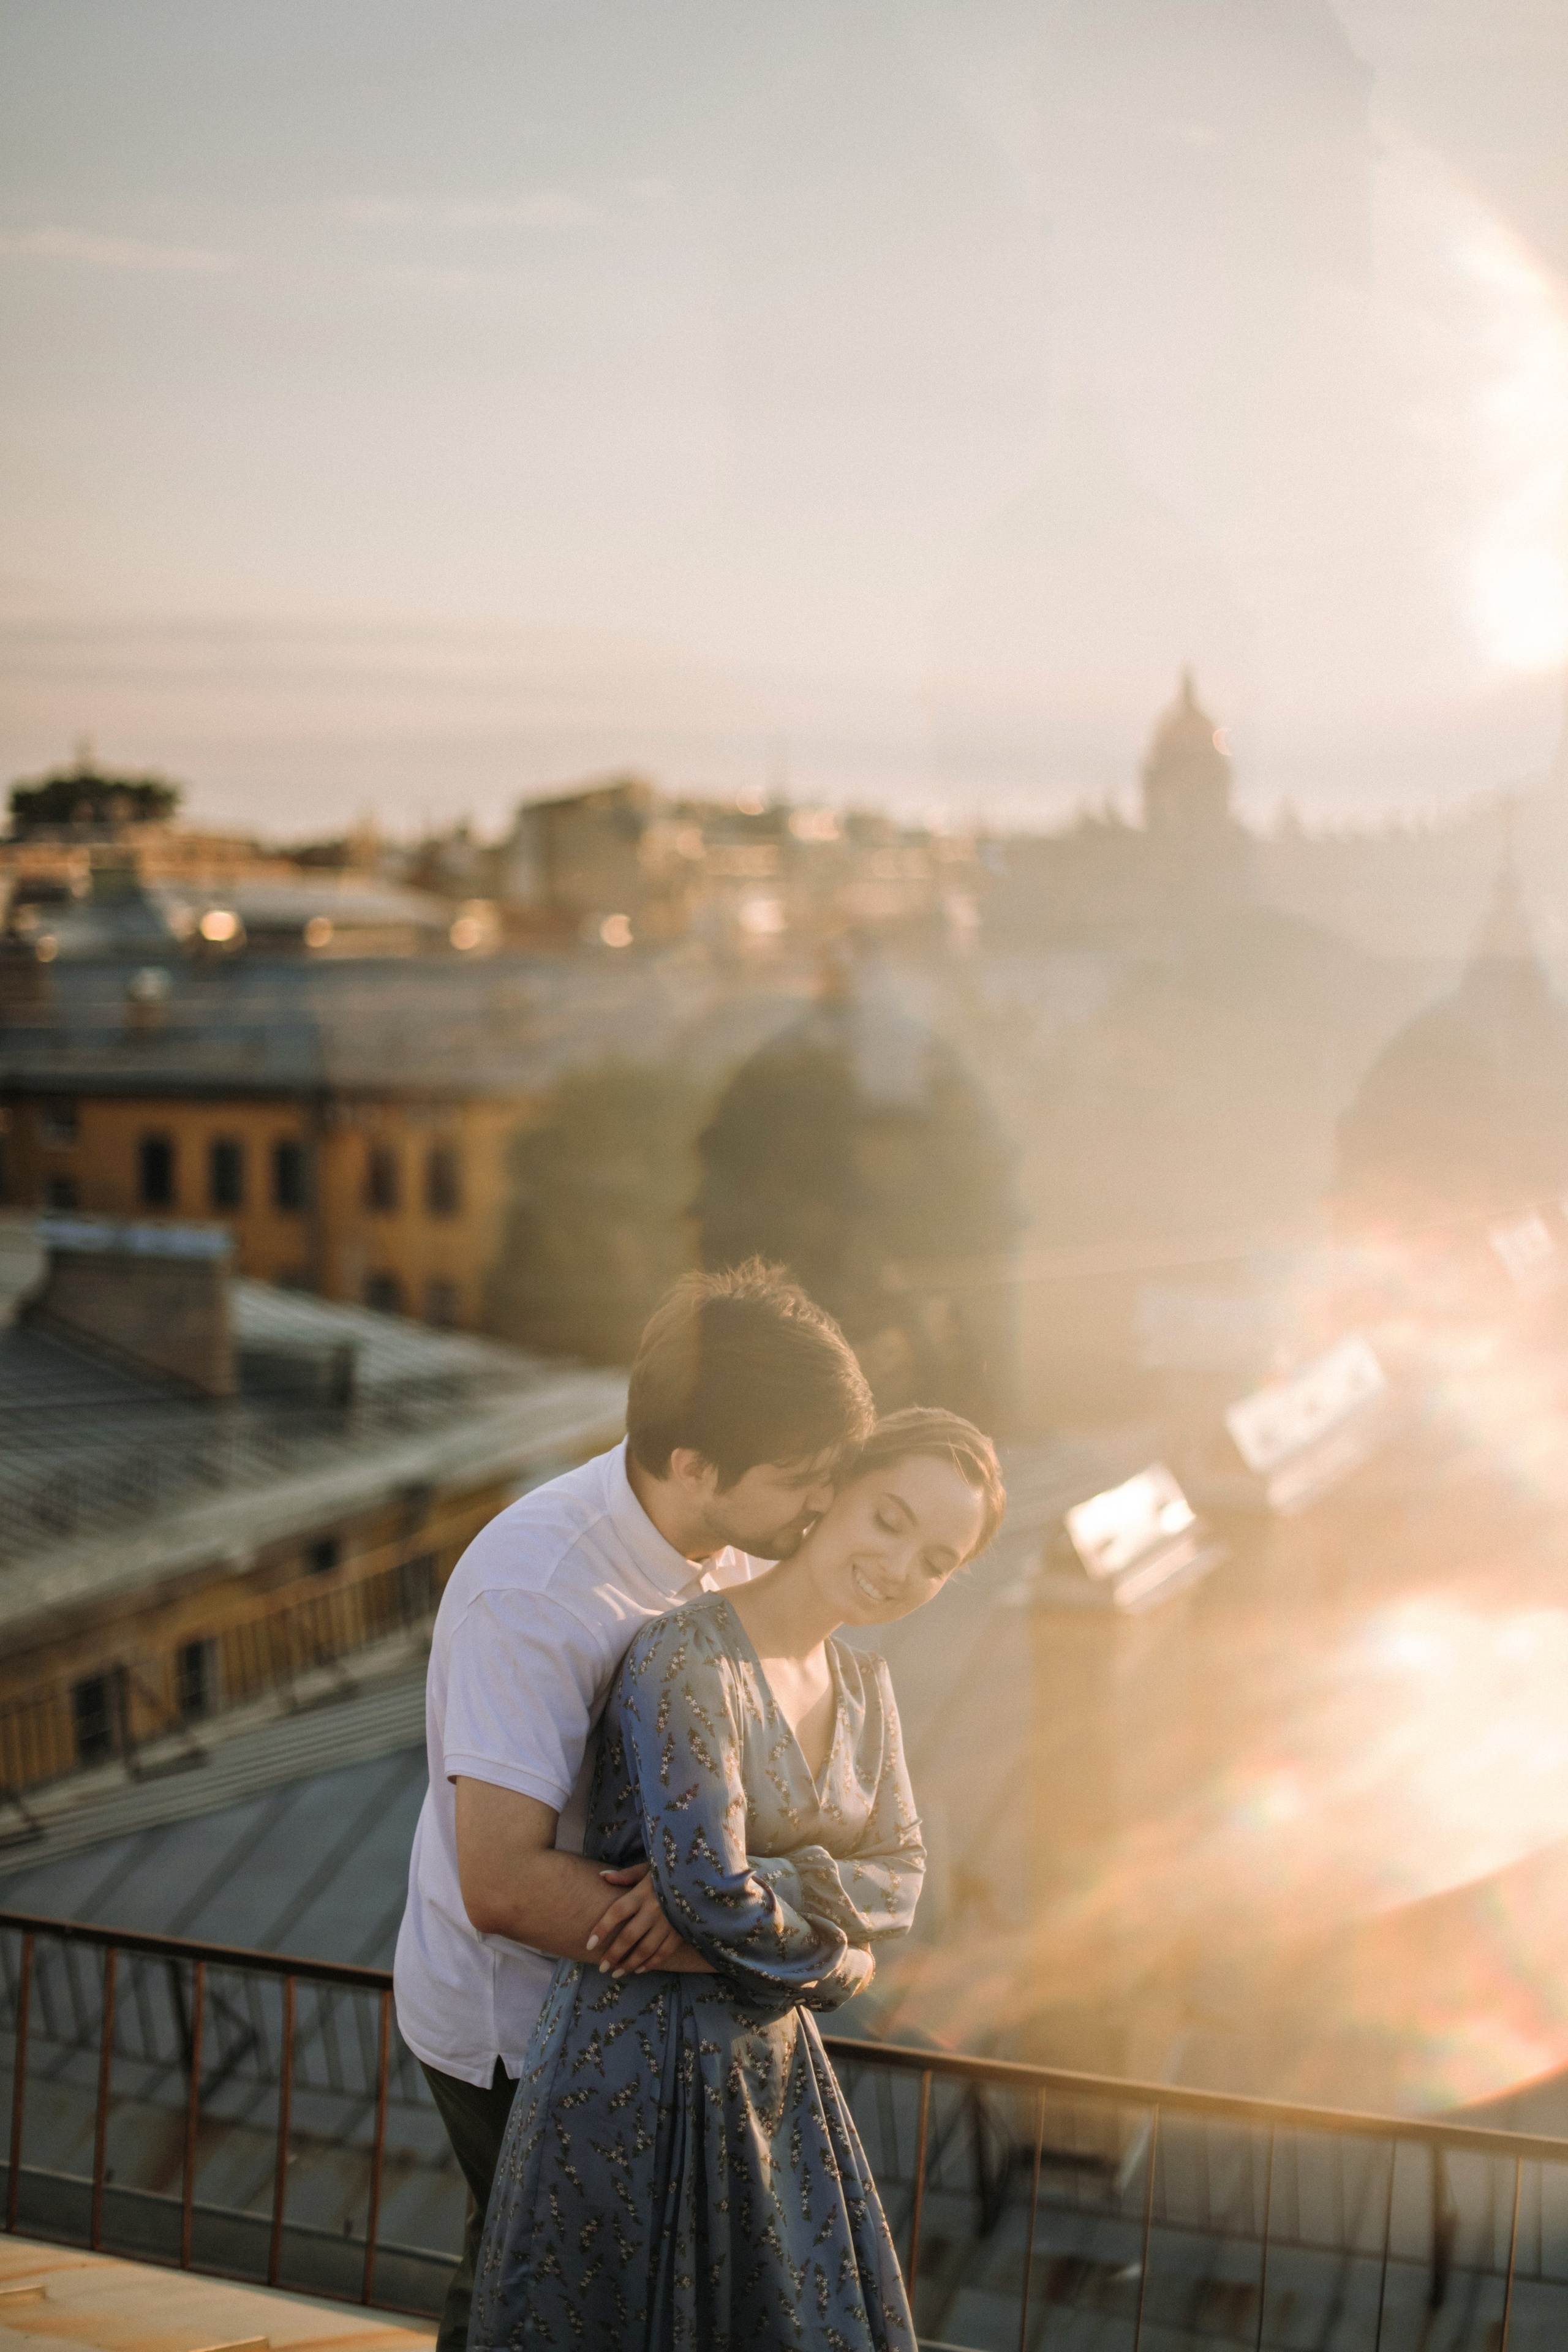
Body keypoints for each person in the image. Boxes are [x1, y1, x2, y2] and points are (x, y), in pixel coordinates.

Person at [393, 1261, 876, 2352]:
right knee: (535, 2286)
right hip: (516, 2025)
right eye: (804, 1476)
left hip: (636, 2008)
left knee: (612, 2290)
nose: (823, 1503)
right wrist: (743, 1940)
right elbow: (505, 1885)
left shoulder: (738, 1550)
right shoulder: (538, 1591)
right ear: (695, 1464)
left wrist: (726, 1901)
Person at [469, 1408, 1006, 2352]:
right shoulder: (689, 1656)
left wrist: (804, 1923)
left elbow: (907, 1881)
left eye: (936, 1559)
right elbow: (711, 1892)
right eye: (890, 1518)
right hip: (634, 2066)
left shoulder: (866, 1687)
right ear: (834, 1490)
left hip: (775, 2075)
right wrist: (841, 1956)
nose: (901, 1566)